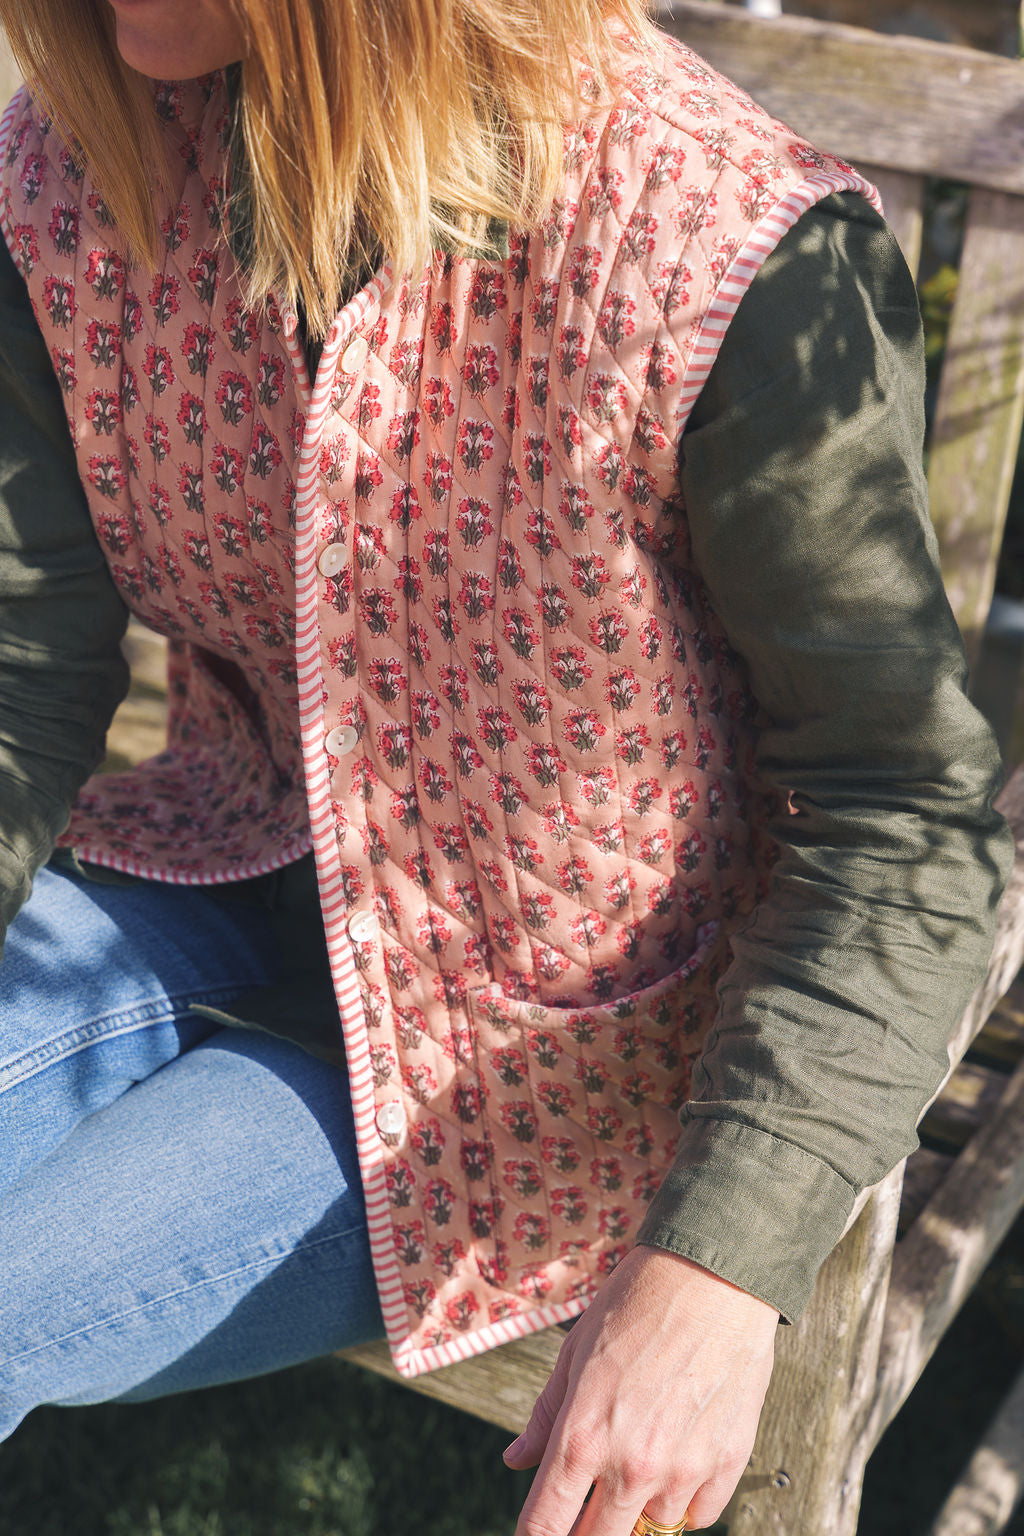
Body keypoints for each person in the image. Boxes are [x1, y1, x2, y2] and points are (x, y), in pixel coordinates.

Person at [0, 0, 1012, 1532]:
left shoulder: (716, 244)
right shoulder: (81, 166)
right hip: (227, 850)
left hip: (558, 1060)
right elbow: (21, 671)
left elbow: (901, 815)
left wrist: (715, 1268)